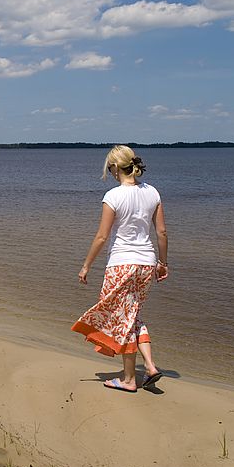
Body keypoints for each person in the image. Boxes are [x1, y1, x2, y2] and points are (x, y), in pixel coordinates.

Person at [70, 145, 168, 392]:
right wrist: (163, 263)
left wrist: (86, 266)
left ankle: (128, 380)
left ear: (115, 167)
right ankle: (150, 366)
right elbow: (162, 232)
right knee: (133, 315)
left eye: (110, 168)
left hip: (121, 264)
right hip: (146, 263)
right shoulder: (152, 192)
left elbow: (102, 237)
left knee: (122, 319)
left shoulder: (113, 196)